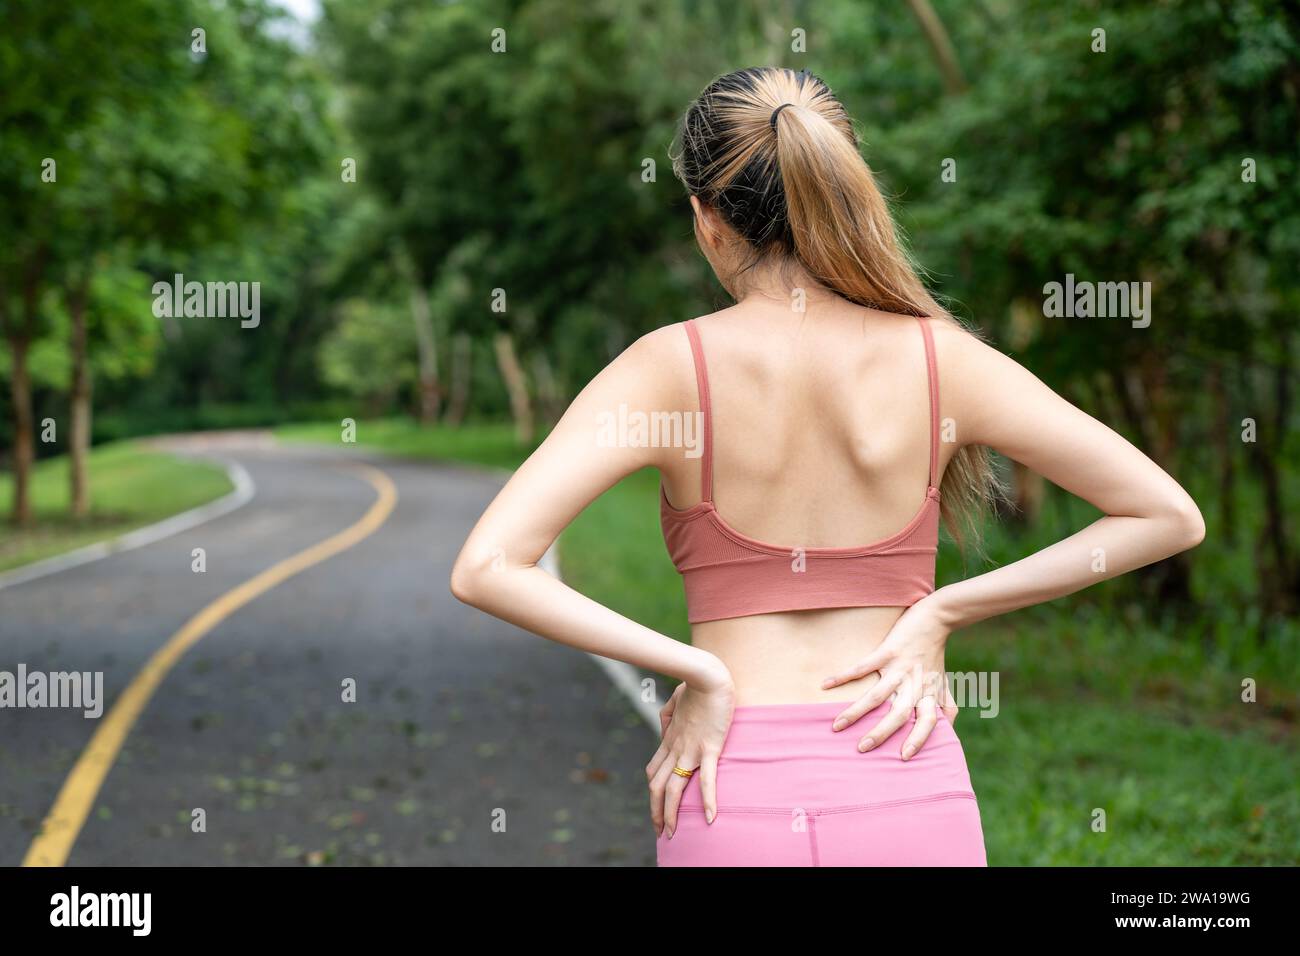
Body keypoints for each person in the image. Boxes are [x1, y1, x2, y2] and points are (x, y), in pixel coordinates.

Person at [450, 66, 1205, 866]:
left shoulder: (666, 369)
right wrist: (943, 612)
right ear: (840, 186)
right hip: (910, 782)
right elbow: (1167, 515)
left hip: (728, 790)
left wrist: (699, 669)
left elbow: (488, 567)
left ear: (707, 220)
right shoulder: (945, 362)